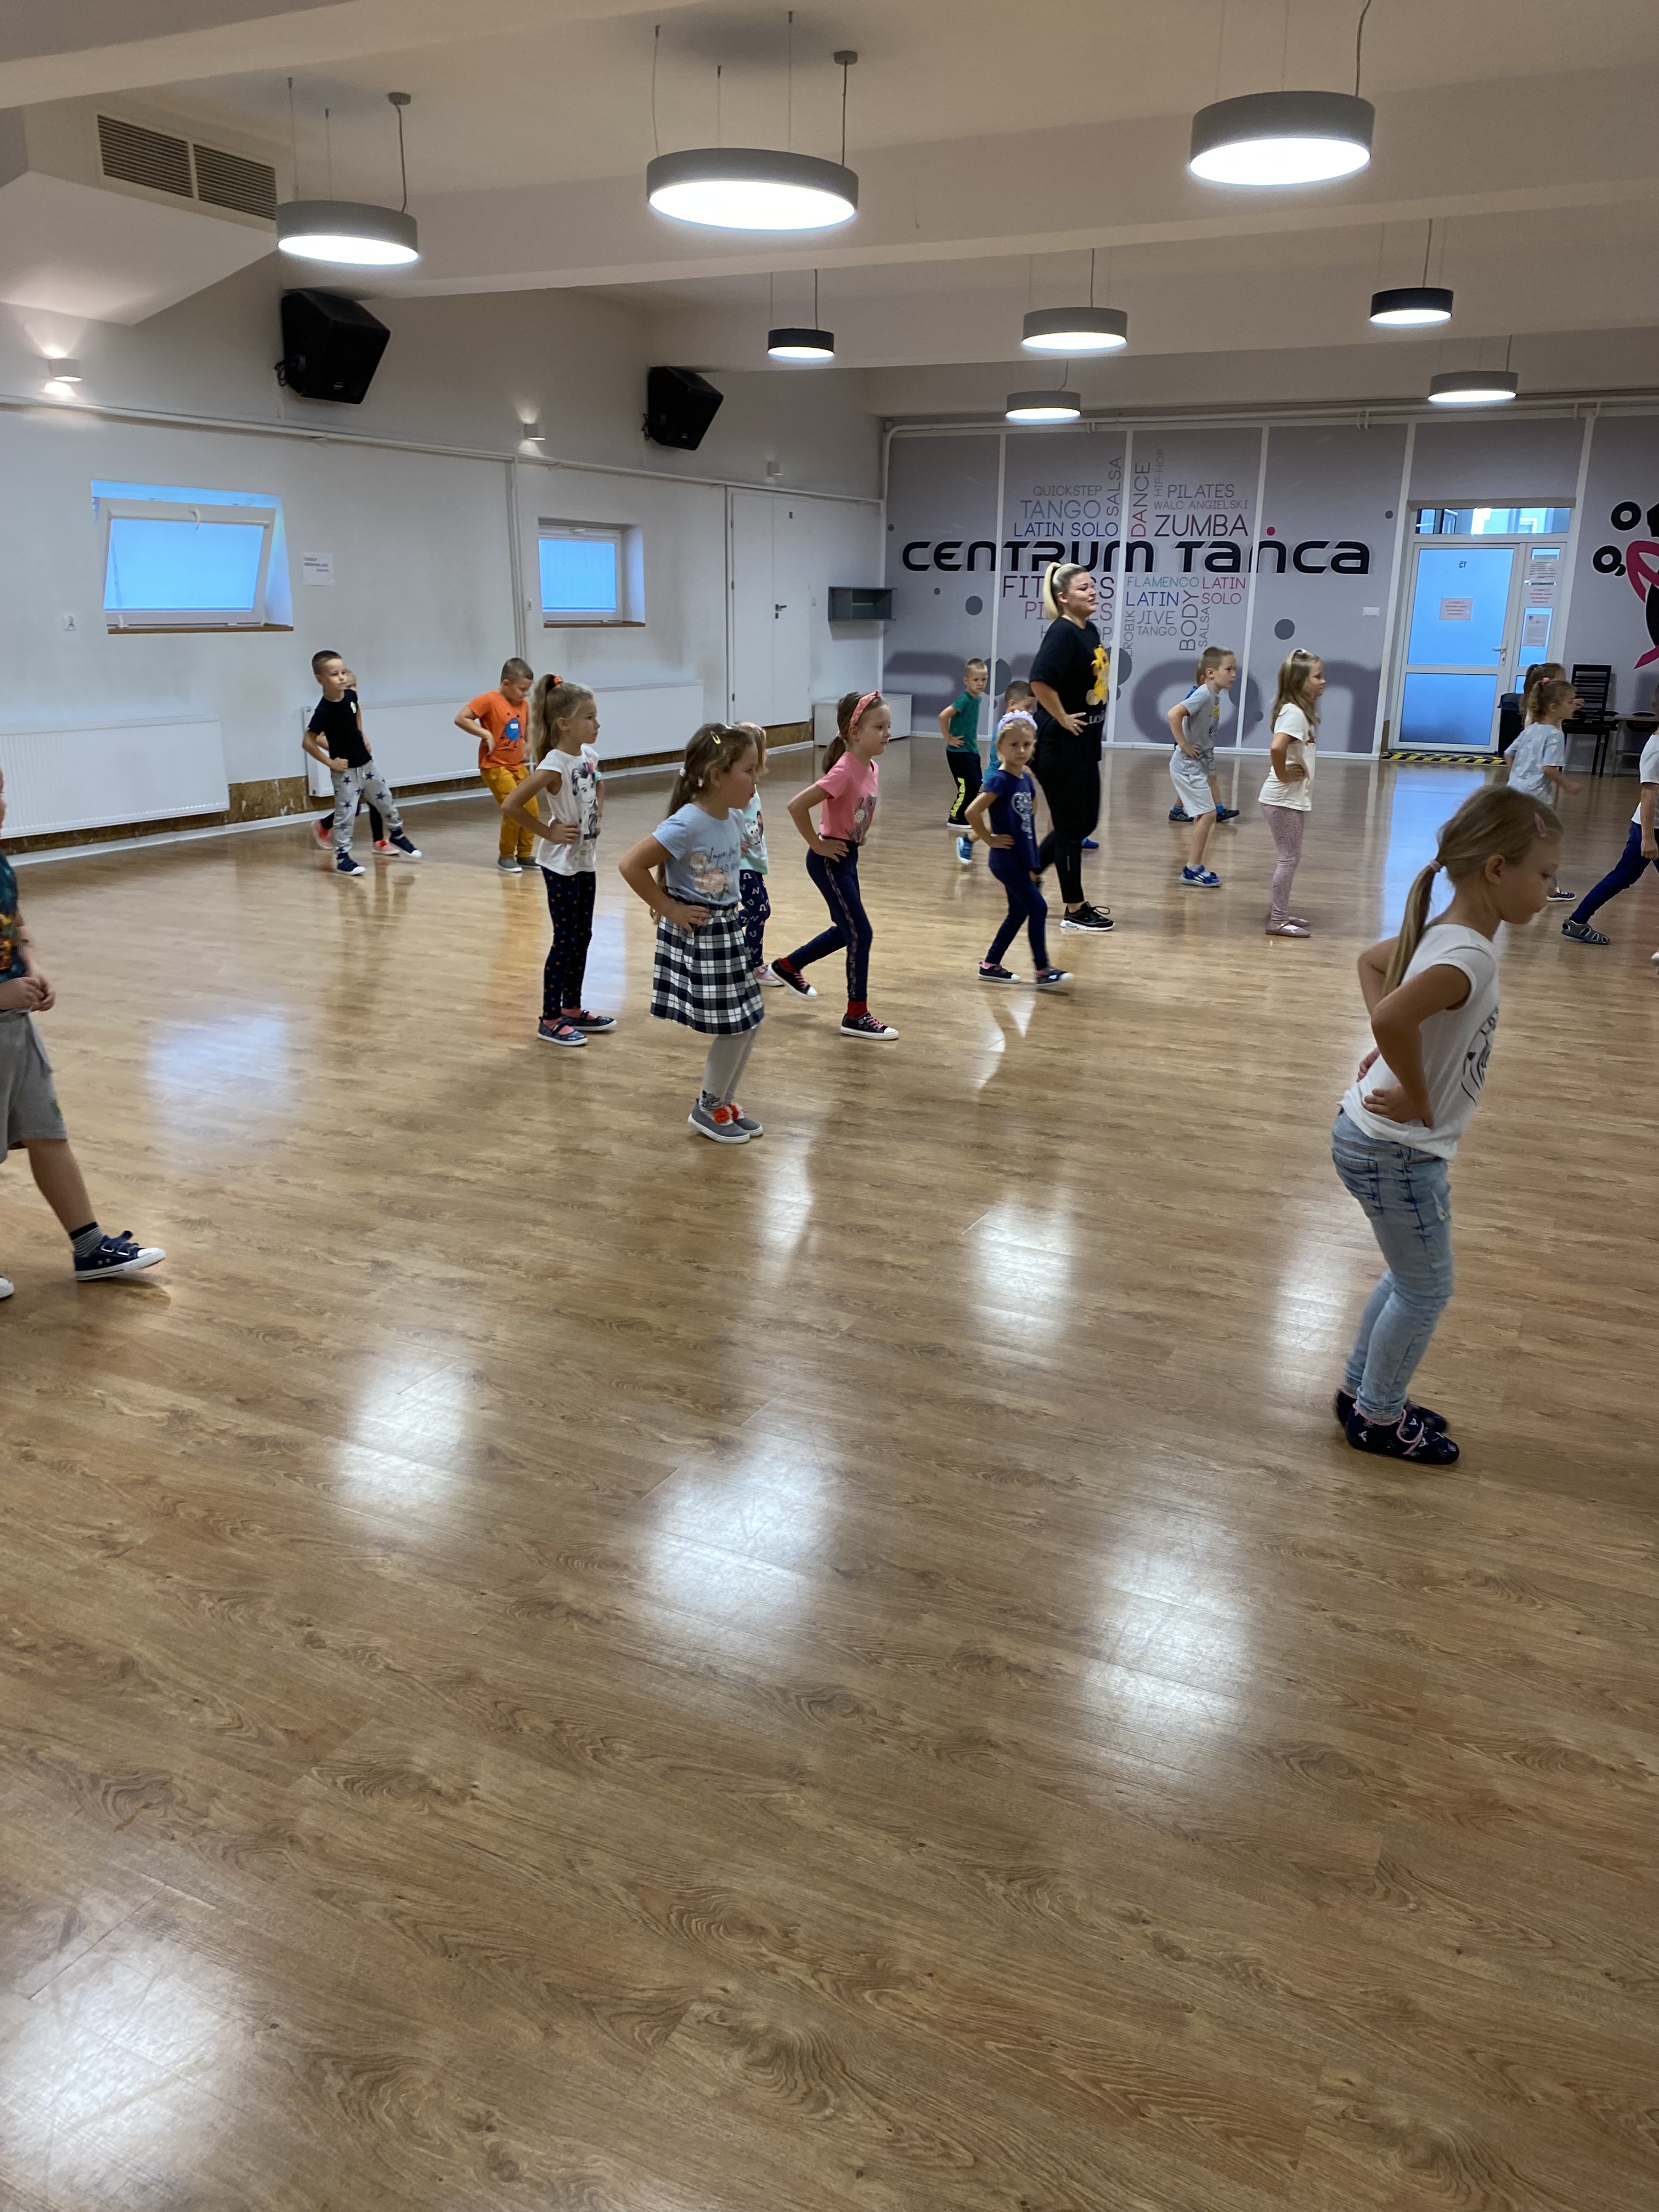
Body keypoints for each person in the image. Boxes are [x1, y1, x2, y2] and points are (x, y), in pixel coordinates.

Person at [1331, 786, 1562, 1462]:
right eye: (1544, 875)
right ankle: (1378, 1418)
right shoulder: (1470, 955)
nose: (1550, 891)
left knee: (1411, 1277)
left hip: (1374, 1142)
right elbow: (1390, 1015)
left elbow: (1374, 967)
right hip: (1398, 1151)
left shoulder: (1448, 935)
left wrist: (1399, 1057)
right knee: (1427, 1287)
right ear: (1497, 868)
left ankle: (1362, 1393)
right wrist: (1412, 1084)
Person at [0, 767, 165, 1298]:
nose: (1, 807)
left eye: (0, 794)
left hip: (16, 1031)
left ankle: (89, 1246)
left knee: (47, 1132)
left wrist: (33, 966)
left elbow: (18, 926)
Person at [617, 724, 765, 1143]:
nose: (756, 780)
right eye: (749, 771)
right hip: (704, 934)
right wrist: (669, 908)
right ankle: (709, 1107)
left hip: (728, 929)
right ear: (718, 776)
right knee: (736, 1025)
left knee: (750, 1020)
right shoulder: (687, 823)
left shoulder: (731, 816)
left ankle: (722, 1103)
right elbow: (631, 864)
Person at [770, 690, 899, 1041]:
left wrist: (857, 835)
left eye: (888, 726)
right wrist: (817, 843)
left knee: (847, 930)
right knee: (861, 933)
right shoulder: (844, 770)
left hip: (847, 855)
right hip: (829, 861)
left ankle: (787, 966)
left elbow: (853, 809)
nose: (887, 733)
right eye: (879, 727)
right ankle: (856, 1015)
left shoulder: (871, 766)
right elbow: (797, 806)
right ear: (855, 732)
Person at [503, 679, 611, 1047]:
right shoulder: (554, 765)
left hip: (585, 860)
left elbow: (598, 785)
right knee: (565, 940)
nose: (597, 724)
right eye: (589, 717)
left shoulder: (589, 757)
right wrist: (547, 832)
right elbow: (512, 804)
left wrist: (596, 816)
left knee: (584, 935)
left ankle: (572, 1008)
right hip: (561, 865)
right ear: (564, 723)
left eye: (596, 716)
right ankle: (549, 1018)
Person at [1028, 563, 1113, 932]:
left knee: (1084, 822)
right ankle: (1074, 909)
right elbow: (1039, 681)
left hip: (1084, 743)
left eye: (1092, 586)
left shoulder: (1088, 630)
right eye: (1083, 588)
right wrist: (1061, 716)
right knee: (1069, 828)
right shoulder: (1061, 633)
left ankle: (1030, 871)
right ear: (1063, 597)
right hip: (1058, 745)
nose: (1092, 592)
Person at [967, 710, 1071, 990]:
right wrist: (989, 839)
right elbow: (972, 812)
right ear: (1000, 747)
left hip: (1020, 857)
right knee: (1038, 908)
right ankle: (1042, 970)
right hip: (1006, 860)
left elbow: (1032, 806)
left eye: (1027, 744)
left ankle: (990, 964)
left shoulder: (1024, 778)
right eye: (1014, 745)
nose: (1021, 750)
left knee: (1018, 913)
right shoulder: (1000, 780)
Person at [301, 651, 421, 878]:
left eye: (343, 672)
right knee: (346, 814)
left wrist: (361, 733)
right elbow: (308, 742)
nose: (342, 677)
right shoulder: (323, 711)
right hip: (346, 772)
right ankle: (343, 858)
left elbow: (356, 711)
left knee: (386, 800)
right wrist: (330, 762)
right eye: (335, 674)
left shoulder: (350, 696)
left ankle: (397, 834)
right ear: (320, 680)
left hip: (367, 765)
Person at [1560, 723, 1659, 946]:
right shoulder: (1656, 750)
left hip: (1649, 829)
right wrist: (1648, 838)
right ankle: (1577, 921)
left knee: (1623, 876)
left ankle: (1577, 921)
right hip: (1651, 829)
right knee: (1622, 877)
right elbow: (1648, 795)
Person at [1259, 648, 1323, 937]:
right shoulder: (1294, 713)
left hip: (1288, 798)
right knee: (1289, 858)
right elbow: (1277, 747)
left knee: (1290, 857)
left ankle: (1281, 912)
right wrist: (1283, 774)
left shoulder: (1297, 711)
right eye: (1318, 677)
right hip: (1282, 799)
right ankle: (1278, 920)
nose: (1323, 682)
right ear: (1300, 682)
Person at [1502, 675, 1581, 899]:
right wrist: (1567, 785)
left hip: (1515, 792)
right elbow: (1548, 769)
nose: (1574, 707)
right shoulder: (1555, 735)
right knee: (1546, 841)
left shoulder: (1532, 729)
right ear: (1554, 707)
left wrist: (1517, 776)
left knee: (1521, 839)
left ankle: (1520, 883)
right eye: (1570, 702)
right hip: (1537, 799)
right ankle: (1546, 889)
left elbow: (1508, 754)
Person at [1166, 646, 1238, 888]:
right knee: (1208, 814)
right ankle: (1192, 870)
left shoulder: (1213, 696)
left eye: (1235, 670)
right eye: (1229, 669)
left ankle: (1194, 867)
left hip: (1196, 766)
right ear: (1210, 673)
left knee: (1206, 814)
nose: (1234, 674)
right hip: (1187, 766)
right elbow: (1174, 715)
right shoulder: (1204, 694)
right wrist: (1184, 745)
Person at [457, 657, 538, 872]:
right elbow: (462, 718)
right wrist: (485, 734)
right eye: (522, 689)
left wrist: (529, 743)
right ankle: (506, 856)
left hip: (518, 765)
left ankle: (525, 854)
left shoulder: (524, 705)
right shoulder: (489, 700)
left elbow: (530, 726)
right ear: (506, 684)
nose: (525, 694)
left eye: (528, 690)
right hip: (495, 765)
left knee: (532, 809)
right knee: (514, 808)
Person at [311, 665, 384, 852]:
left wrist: (363, 738)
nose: (352, 690)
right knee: (354, 807)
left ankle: (379, 841)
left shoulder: (353, 705)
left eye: (354, 686)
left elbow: (357, 727)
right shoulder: (330, 710)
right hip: (346, 765)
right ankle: (323, 825)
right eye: (348, 687)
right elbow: (316, 737)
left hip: (361, 761)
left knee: (376, 797)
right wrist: (337, 748)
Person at [732, 721, 777, 984]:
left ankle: (721, 931)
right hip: (741, 864)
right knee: (760, 911)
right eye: (765, 748)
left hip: (752, 860)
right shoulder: (737, 787)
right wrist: (732, 842)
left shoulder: (752, 786)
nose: (767, 753)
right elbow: (723, 813)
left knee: (760, 910)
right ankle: (754, 966)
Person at [939, 656, 990, 865]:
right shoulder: (965, 699)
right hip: (958, 752)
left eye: (984, 679)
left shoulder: (977, 699)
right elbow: (943, 716)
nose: (980, 683)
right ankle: (956, 817)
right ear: (966, 680)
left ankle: (966, 814)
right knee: (966, 786)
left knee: (976, 784)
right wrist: (949, 738)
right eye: (976, 680)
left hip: (971, 750)